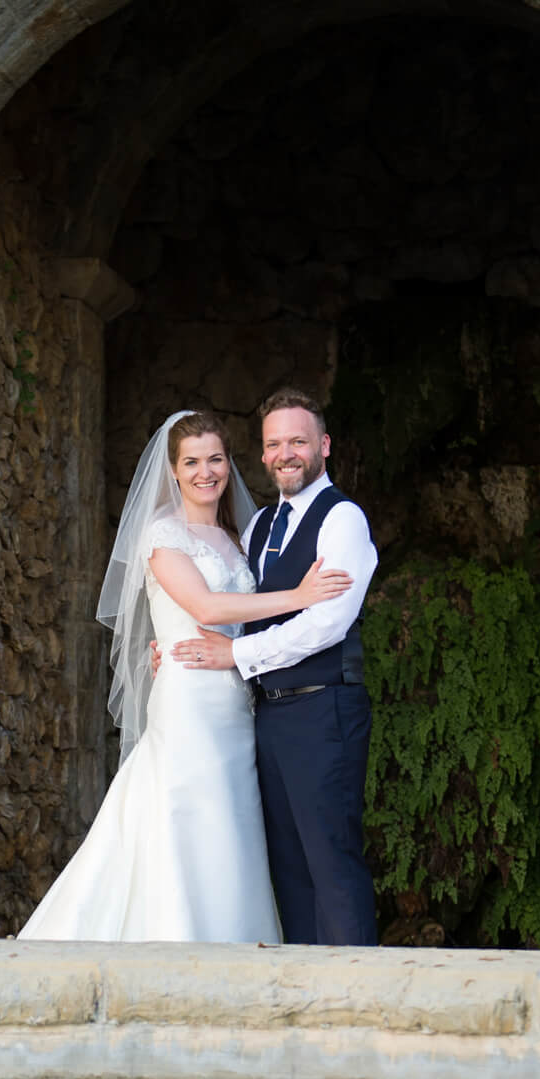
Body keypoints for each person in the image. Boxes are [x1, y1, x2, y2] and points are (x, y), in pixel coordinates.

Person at [19, 410, 349, 943]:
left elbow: (244, 619)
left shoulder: (238, 537)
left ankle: (233, 942)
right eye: (192, 462)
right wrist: (301, 596)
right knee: (186, 810)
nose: (206, 472)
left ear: (229, 463)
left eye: (215, 459)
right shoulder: (161, 534)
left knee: (231, 820)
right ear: (173, 471)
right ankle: (175, 936)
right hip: (188, 697)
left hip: (237, 701)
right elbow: (204, 605)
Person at [171, 391, 379, 945]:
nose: (286, 453)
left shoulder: (344, 520)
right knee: (288, 870)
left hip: (324, 709)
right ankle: (311, 997)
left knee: (331, 863)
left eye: (297, 441)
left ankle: (357, 997)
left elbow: (326, 623)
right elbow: (238, 609)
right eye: (274, 444)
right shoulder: (260, 525)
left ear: (323, 447)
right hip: (266, 715)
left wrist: (235, 656)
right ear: (262, 456)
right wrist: (170, 643)